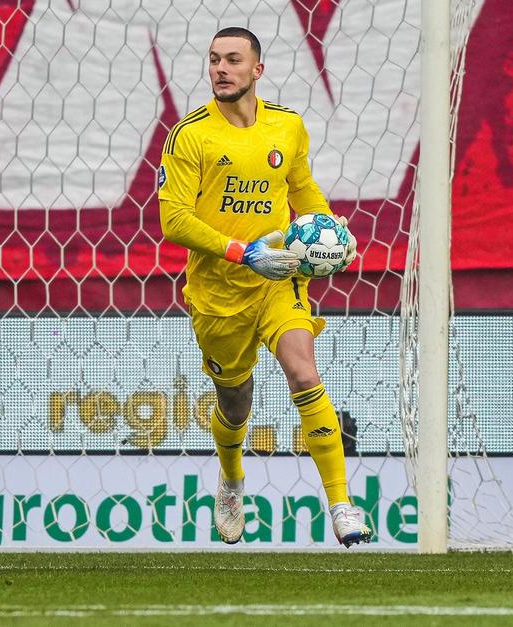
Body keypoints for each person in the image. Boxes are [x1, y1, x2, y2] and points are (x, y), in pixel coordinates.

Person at [157, 27, 370, 548]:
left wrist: (329, 234)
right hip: (218, 292)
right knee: (235, 401)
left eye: (232, 60)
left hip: (280, 279)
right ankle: (232, 480)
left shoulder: (287, 127)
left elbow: (303, 189)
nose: (220, 70)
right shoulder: (191, 135)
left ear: (258, 70)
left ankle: (341, 503)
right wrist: (241, 250)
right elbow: (173, 220)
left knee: (303, 371)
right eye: (213, 60)